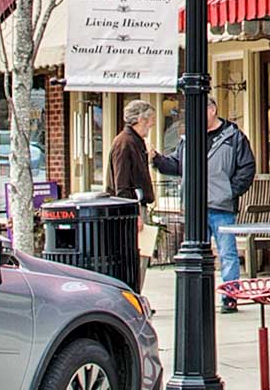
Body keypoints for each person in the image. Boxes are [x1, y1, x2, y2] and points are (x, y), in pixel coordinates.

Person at [155, 101, 258, 308]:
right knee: (196, 254)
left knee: (227, 253)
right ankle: (199, 298)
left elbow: (247, 167)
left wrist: (229, 191)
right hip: (195, 208)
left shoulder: (233, 137)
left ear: (212, 110)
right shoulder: (189, 139)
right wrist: (157, 160)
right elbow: (177, 165)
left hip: (222, 207)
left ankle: (230, 297)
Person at [104, 104, 153, 211]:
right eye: (151, 119)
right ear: (141, 120)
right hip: (130, 208)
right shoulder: (125, 143)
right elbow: (122, 184)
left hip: (135, 205)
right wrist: (132, 213)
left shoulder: (134, 141)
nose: (152, 124)